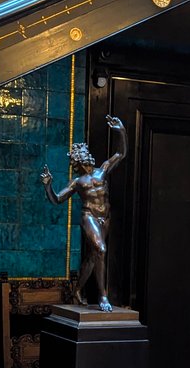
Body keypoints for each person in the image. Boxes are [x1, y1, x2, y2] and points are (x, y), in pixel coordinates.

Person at [40, 115, 126, 312]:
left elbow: (120, 153)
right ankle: (103, 296)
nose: (80, 159)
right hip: (89, 217)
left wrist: (121, 131)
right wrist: (48, 186)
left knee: (93, 256)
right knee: (101, 250)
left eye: (81, 155)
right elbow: (57, 199)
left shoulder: (102, 170)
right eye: (77, 158)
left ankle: (77, 289)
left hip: (105, 218)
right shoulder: (77, 182)